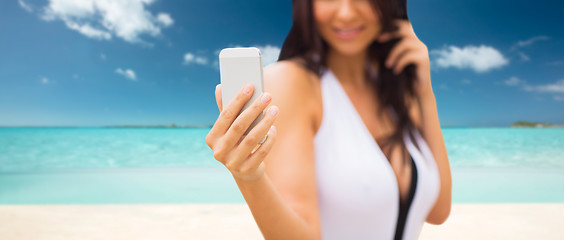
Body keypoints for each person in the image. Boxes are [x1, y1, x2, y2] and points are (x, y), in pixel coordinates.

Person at [205, 0, 452, 239]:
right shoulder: (290, 83)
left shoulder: (394, 88)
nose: (346, 13)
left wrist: (424, 93)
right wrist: (250, 177)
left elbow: (437, 210)